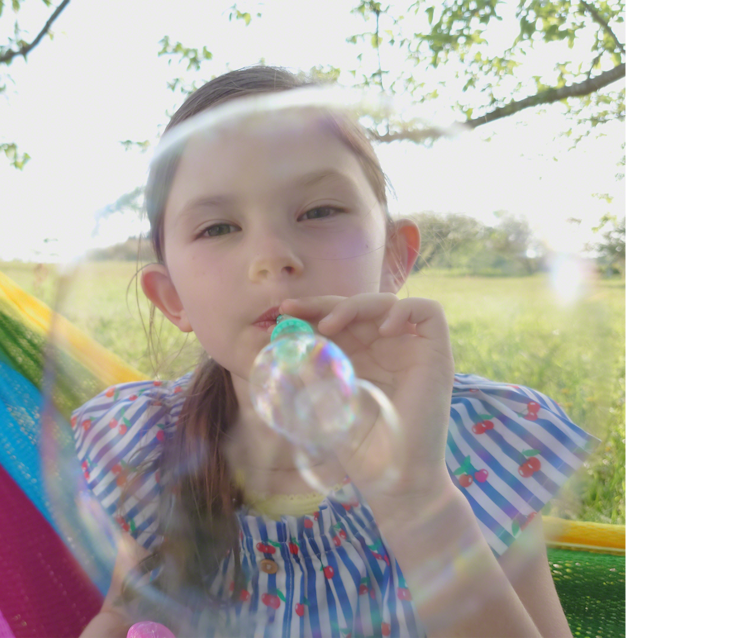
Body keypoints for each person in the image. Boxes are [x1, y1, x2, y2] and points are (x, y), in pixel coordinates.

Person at [73, 66, 595, 638]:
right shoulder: (151, 450)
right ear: (172, 300)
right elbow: (128, 609)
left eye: (319, 211)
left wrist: (417, 497)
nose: (273, 257)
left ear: (395, 257)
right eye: (219, 227)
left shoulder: (477, 443)